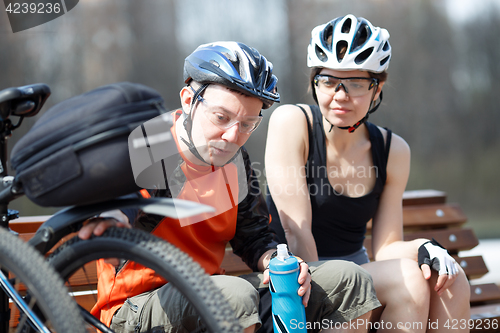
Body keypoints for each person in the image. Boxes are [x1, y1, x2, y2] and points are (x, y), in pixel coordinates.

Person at [78, 41, 381, 333]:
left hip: (215, 297)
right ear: (188, 100)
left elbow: (255, 239)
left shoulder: (236, 162)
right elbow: (124, 198)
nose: (232, 136)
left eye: (248, 124)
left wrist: (279, 262)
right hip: (137, 309)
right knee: (232, 296)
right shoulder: (153, 142)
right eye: (222, 117)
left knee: (347, 280)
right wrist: (114, 216)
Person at [265, 15, 471, 332]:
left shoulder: (392, 150)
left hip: (364, 277)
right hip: (302, 282)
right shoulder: (293, 123)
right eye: (329, 81)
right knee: (409, 284)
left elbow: (387, 247)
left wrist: (425, 248)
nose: (341, 95)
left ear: (378, 89)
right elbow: (297, 232)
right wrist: (331, 291)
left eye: (357, 83)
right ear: (314, 81)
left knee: (451, 277)